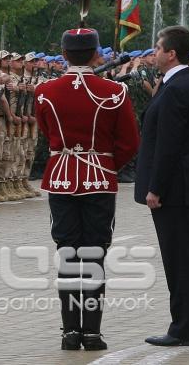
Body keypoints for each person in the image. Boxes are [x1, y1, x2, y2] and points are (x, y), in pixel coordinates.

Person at [34, 27, 139, 351]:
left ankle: (69, 332)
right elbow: (130, 142)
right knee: (94, 254)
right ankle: (91, 333)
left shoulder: (45, 91)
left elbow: (46, 131)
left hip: (62, 177)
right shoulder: (115, 91)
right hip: (99, 179)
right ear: (97, 55)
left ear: (63, 55)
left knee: (68, 255)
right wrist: (105, 163)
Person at [136, 25, 189, 347]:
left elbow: (169, 144)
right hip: (180, 183)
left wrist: (156, 188)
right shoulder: (179, 82)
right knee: (182, 259)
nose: (154, 53)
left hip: (174, 187)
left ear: (171, 53)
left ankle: (182, 329)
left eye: (157, 48)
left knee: (180, 260)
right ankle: (185, 327)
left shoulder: (179, 87)